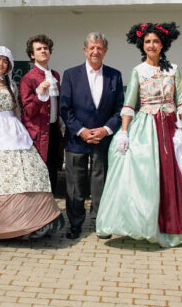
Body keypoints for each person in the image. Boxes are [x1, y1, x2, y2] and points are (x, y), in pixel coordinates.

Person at [96, 22, 182, 246]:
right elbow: (129, 104)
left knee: (181, 172)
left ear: (163, 44)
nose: (152, 45)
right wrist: (123, 133)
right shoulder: (137, 71)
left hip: (173, 126)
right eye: (147, 42)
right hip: (147, 127)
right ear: (142, 45)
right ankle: (145, 224)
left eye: (155, 41)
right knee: (146, 174)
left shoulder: (173, 69)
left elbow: (181, 100)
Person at [0, 46, 65, 240]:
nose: (1, 64)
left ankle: (31, 222)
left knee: (31, 171)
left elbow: (17, 111)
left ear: (9, 65)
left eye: (5, 61)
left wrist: (24, 132)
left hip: (14, 132)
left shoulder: (12, 85)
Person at [59, 32, 124, 240]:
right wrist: (81, 131)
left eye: (99, 48)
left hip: (103, 139)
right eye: (92, 48)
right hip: (76, 138)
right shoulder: (71, 75)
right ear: (85, 50)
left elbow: (120, 108)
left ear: (105, 50)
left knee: (100, 183)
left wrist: (105, 130)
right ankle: (75, 224)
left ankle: (99, 221)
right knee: (74, 185)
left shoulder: (115, 75)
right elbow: (65, 108)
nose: (95, 51)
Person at [19, 34, 64, 196]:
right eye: (39, 49)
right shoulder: (28, 79)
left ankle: (51, 209)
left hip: (54, 131)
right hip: (37, 134)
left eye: (46, 48)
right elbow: (27, 112)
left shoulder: (55, 75)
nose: (43, 51)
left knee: (53, 174)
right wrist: (40, 95)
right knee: (39, 176)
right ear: (32, 55)